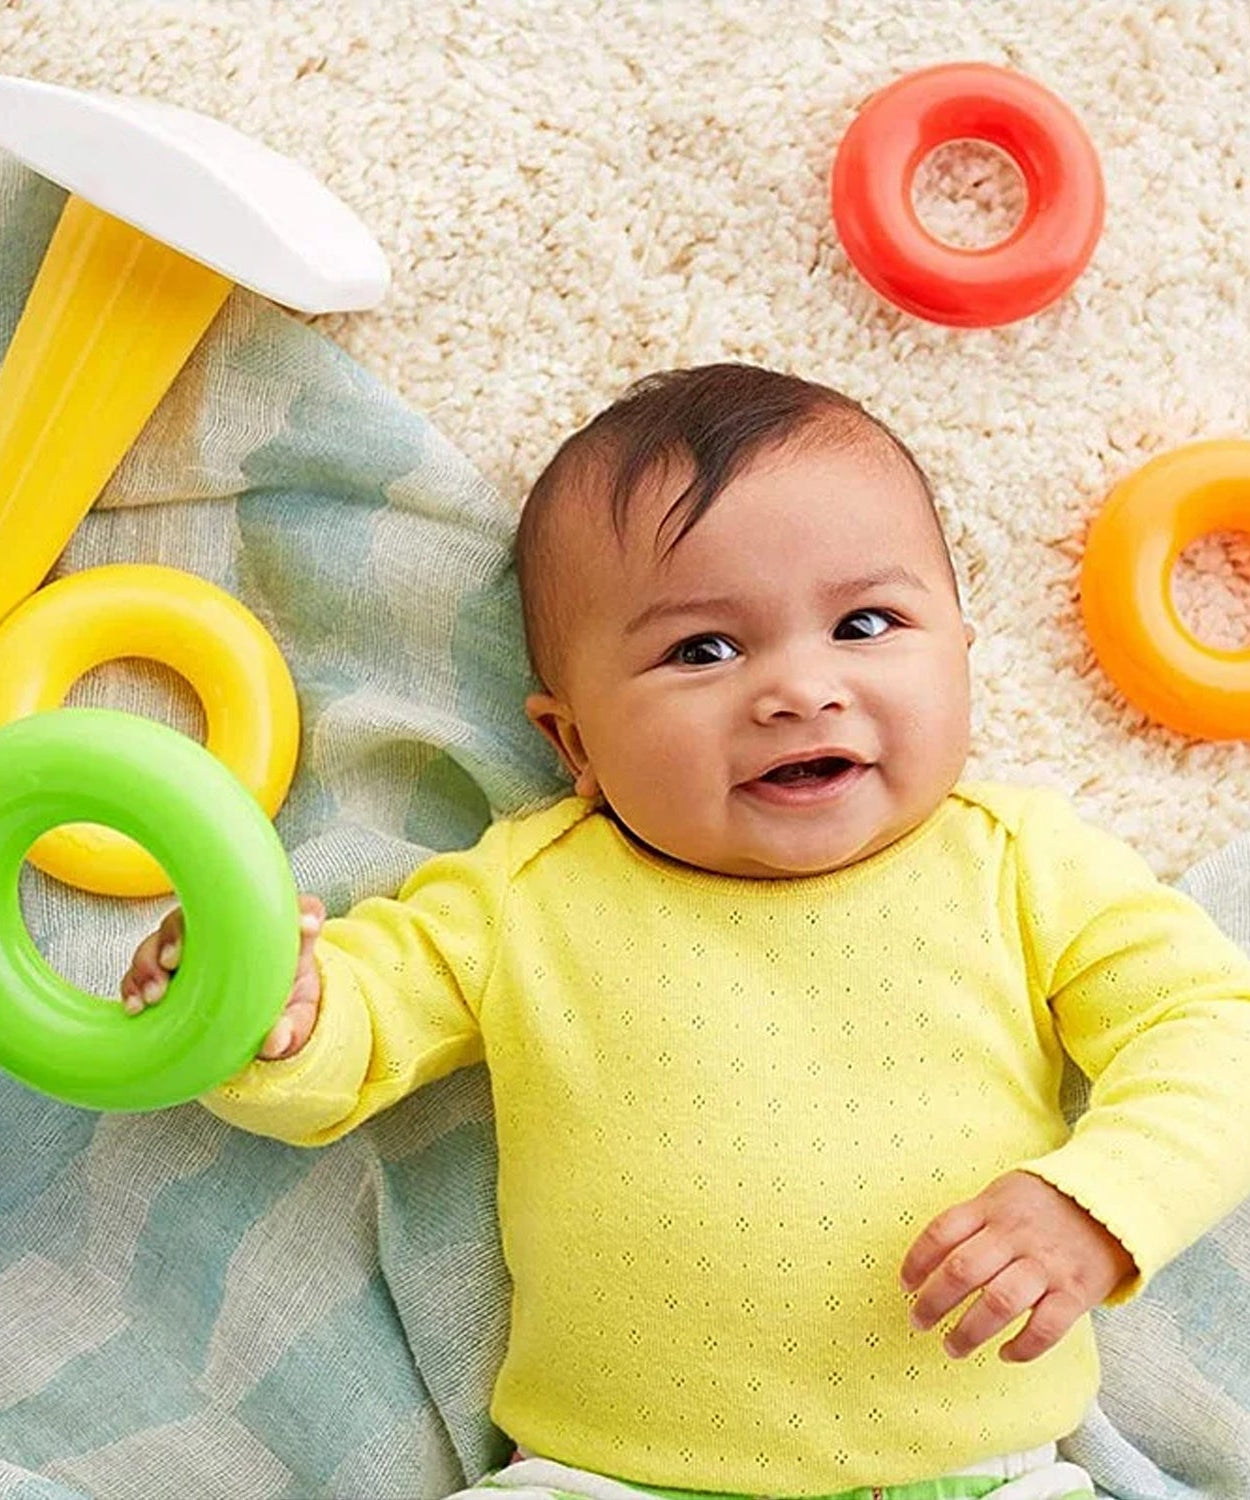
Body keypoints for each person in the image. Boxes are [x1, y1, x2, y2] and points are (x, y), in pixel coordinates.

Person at [122, 364, 1250, 1500]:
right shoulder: (524, 895)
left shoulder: (1018, 866)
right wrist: (258, 998)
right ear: (575, 745)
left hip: (981, 1473)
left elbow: (1205, 1032)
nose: (799, 689)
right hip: (601, 1480)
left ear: (959, 652)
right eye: (702, 650)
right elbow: (352, 1032)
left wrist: (1098, 1204)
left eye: (865, 623)